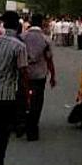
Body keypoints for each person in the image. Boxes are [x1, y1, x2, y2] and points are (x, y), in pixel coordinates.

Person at [0, 10, 29, 165]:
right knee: (3, 133)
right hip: (7, 95)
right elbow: (23, 73)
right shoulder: (19, 46)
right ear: (18, 26)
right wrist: (26, 96)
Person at [21, 13, 56, 141]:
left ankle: (22, 123)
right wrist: (53, 76)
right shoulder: (45, 39)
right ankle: (33, 129)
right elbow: (49, 59)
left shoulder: (22, 37)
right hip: (40, 75)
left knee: (23, 98)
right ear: (42, 23)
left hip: (24, 74)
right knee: (37, 102)